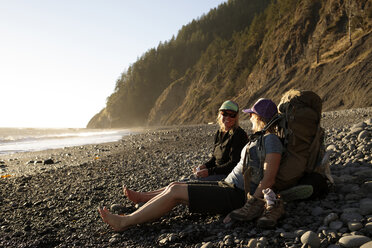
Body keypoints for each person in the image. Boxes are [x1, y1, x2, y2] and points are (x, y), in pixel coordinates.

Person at [98, 98, 284, 231]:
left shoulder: (271, 141)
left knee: (175, 193)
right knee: (174, 186)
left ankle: (125, 222)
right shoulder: (260, 139)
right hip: (227, 184)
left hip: (236, 193)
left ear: (259, 118)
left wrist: (247, 207)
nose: (249, 118)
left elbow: (268, 179)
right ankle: (138, 206)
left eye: (252, 115)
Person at [190, 100, 248, 181]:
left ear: (236, 117)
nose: (228, 117)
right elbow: (215, 158)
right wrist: (203, 166)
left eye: (232, 115)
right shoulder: (219, 132)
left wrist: (209, 172)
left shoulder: (239, 134)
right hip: (217, 172)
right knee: (179, 183)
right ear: (220, 115)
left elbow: (234, 163)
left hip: (229, 176)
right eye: (225, 113)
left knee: (192, 181)